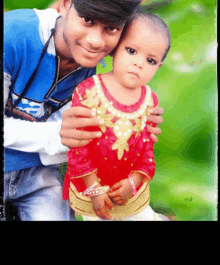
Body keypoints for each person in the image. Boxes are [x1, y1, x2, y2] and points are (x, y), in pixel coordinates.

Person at [3, 0, 164, 221]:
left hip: (40, 172)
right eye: (87, 20)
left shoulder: (106, 69)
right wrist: (58, 134)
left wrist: (136, 120)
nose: (95, 41)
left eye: (111, 28)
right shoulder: (12, 34)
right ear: (65, 5)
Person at [63, 11, 171, 221]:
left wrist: (134, 181)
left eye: (150, 60)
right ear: (114, 49)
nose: (139, 63)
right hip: (92, 190)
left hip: (130, 190)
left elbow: (146, 148)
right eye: (131, 51)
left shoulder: (150, 100)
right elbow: (79, 148)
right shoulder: (88, 91)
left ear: (158, 67)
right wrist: (94, 189)